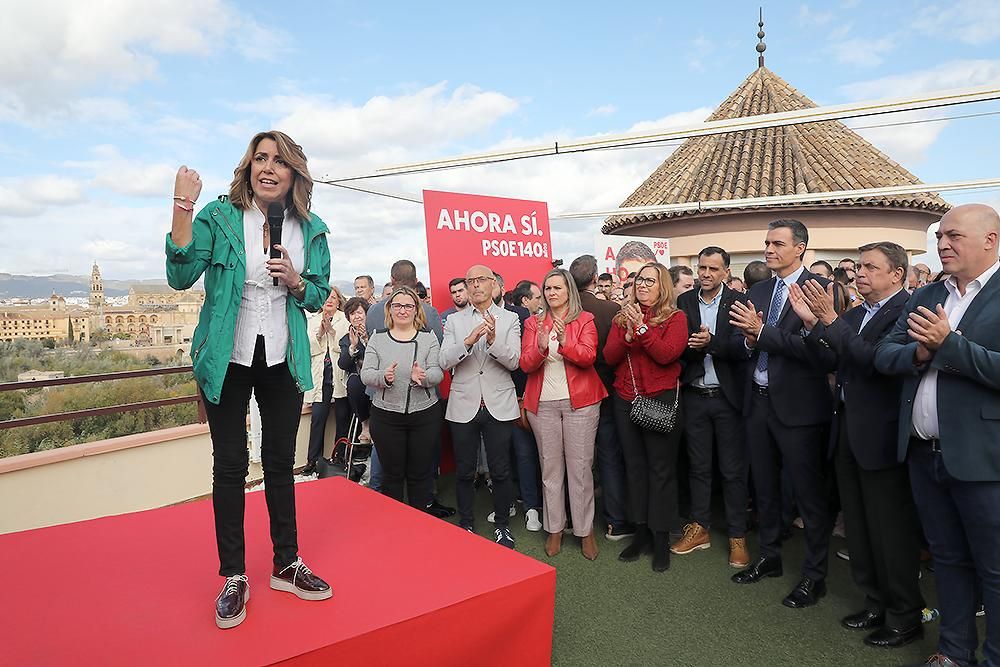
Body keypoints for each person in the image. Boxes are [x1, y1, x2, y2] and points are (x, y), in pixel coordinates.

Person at [165, 130, 333, 630]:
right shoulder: (219, 217)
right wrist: (181, 205)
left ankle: (286, 563)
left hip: (283, 357)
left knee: (282, 462)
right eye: (260, 158)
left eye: (279, 161)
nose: (268, 168)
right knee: (231, 464)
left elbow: (319, 293)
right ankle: (234, 575)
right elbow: (179, 274)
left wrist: (299, 282)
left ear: (293, 173)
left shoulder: (312, 229)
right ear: (247, 166)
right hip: (228, 356)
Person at [874, 203, 1000, 667]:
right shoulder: (926, 294)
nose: (943, 244)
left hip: (985, 458)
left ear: (990, 240)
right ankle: (953, 651)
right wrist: (920, 356)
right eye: (940, 236)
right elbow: (884, 354)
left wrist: (950, 347)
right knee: (947, 560)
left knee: (994, 568)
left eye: (955, 236)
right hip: (925, 454)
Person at [795, 241, 924, 649]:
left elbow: (872, 362)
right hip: (847, 429)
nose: (859, 274)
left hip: (883, 434)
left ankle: (904, 614)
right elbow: (831, 361)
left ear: (897, 274)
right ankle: (874, 601)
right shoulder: (853, 314)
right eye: (859, 267)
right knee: (859, 524)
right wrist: (814, 326)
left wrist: (831, 322)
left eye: (870, 267)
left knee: (890, 529)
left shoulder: (905, 312)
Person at [728, 219, 837, 608]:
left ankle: (814, 575)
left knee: (808, 496)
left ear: (801, 248)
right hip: (758, 401)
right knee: (765, 489)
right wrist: (746, 339)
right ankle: (769, 556)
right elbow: (744, 342)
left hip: (801, 408)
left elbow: (823, 353)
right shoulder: (758, 288)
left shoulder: (822, 290)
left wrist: (763, 334)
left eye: (777, 243)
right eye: (767, 243)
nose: (769, 249)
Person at [604, 262, 688, 572]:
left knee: (660, 471)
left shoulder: (676, 318)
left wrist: (641, 329)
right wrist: (627, 333)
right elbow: (609, 357)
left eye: (649, 281)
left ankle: (661, 538)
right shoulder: (620, 317)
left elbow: (667, 354)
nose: (642, 285)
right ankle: (640, 533)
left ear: (662, 286)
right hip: (626, 399)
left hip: (661, 399)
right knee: (635, 469)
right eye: (640, 280)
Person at [521, 267, 607, 559]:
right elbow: (525, 364)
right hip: (542, 404)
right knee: (550, 470)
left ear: (569, 289)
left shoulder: (585, 320)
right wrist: (542, 348)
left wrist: (565, 342)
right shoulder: (534, 324)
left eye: (557, 287)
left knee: (581, 470)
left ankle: (584, 532)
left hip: (580, 403)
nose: (552, 293)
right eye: (547, 289)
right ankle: (555, 529)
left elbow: (588, 357)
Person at [675, 247, 750, 568]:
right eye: (701, 268)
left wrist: (711, 343)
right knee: (698, 467)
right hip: (694, 395)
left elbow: (743, 347)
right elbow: (679, 346)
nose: (706, 274)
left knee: (733, 471)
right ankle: (700, 527)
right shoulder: (685, 301)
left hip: (727, 398)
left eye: (713, 269)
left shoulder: (738, 301)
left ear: (725, 273)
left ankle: (737, 536)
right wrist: (692, 346)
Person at [439, 264, 522, 548]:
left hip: (499, 403)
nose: (475, 285)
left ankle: (501, 525)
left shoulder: (510, 319)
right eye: (470, 281)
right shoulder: (454, 321)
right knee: (464, 470)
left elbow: (514, 361)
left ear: (494, 285)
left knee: (500, 470)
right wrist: (469, 340)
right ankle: (466, 524)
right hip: (464, 403)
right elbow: (444, 361)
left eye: (480, 280)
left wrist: (492, 340)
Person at [360, 286, 444, 509]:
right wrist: (383, 377)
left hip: (424, 415)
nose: (402, 310)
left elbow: (438, 372)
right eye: (397, 305)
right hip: (387, 416)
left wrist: (423, 377)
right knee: (392, 476)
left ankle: (418, 526)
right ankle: (394, 528)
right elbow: (365, 374)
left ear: (417, 310)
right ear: (390, 309)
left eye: (408, 305)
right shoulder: (378, 338)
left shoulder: (429, 338)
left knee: (420, 475)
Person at [570, 255, 633, 542]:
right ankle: (615, 523)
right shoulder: (611, 309)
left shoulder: (564, 310)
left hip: (572, 394)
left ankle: (574, 520)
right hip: (606, 392)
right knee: (609, 459)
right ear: (596, 278)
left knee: (574, 461)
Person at [504, 279, 543, 533]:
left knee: (528, 455)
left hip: (534, 398)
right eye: (538, 296)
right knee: (518, 455)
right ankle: (523, 504)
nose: (541, 300)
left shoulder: (533, 322)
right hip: (511, 399)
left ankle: (533, 507)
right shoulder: (516, 317)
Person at [304, 286, 350, 475]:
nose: (329, 301)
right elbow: (309, 348)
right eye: (326, 298)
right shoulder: (312, 320)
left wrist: (331, 331)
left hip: (338, 374)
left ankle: (339, 458)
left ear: (339, 300)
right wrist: (321, 333)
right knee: (318, 418)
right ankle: (312, 460)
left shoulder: (345, 320)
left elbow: (345, 346)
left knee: (342, 417)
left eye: (333, 298)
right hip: (321, 375)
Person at [366, 260, 442, 343]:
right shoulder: (430, 312)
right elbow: (438, 345)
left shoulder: (373, 311)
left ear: (392, 280)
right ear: (416, 281)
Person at [338, 297, 372, 445]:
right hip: (359, 381)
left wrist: (366, 339)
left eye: (359, 312)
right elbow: (343, 364)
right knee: (354, 382)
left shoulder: (376, 333)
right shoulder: (346, 339)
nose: (357, 316)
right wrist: (353, 347)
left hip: (376, 377)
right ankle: (365, 425)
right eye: (352, 314)